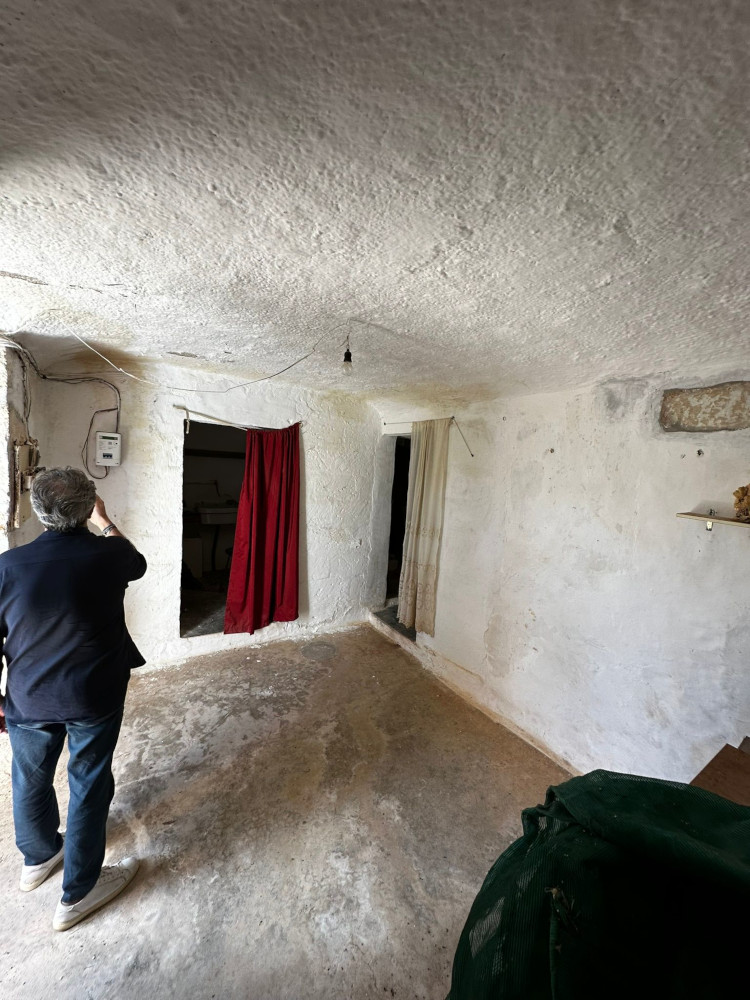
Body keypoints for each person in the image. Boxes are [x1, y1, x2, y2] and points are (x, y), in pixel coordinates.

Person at [0, 467, 147, 931]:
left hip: (28, 696)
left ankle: (38, 857)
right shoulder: (111, 554)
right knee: (89, 783)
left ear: (39, 511)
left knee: (29, 778)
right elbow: (137, 563)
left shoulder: (7, 566)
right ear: (88, 507)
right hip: (93, 695)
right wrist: (105, 521)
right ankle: (79, 893)